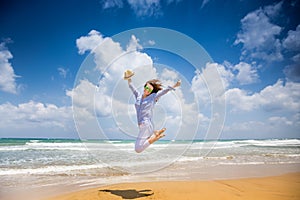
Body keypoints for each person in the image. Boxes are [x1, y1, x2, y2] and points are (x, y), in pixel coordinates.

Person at [124, 70, 181, 153]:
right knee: (141, 145)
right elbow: (132, 86)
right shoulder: (138, 96)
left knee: (138, 149)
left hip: (146, 125)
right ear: (144, 87)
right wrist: (129, 78)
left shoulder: (153, 97)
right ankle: (155, 134)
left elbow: (164, 91)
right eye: (146, 87)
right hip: (142, 126)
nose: (147, 90)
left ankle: (155, 137)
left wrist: (175, 85)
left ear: (152, 91)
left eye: (149, 90)